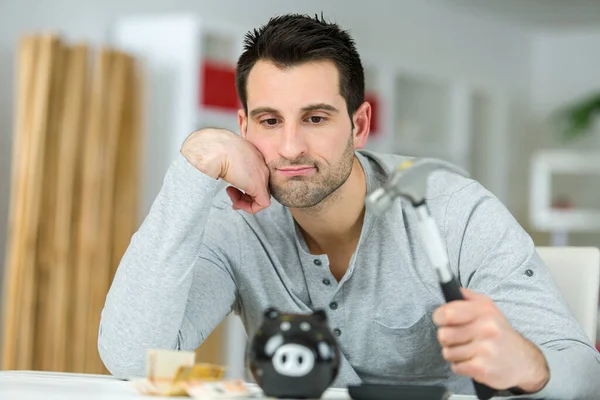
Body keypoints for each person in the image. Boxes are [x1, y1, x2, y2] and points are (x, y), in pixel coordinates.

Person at [98, 13, 600, 398]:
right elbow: (132, 359)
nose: (291, 147)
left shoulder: (454, 211)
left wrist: (532, 367)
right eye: (270, 121)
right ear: (244, 127)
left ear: (358, 125)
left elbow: (584, 373)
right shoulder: (233, 225)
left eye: (315, 119)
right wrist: (194, 165)